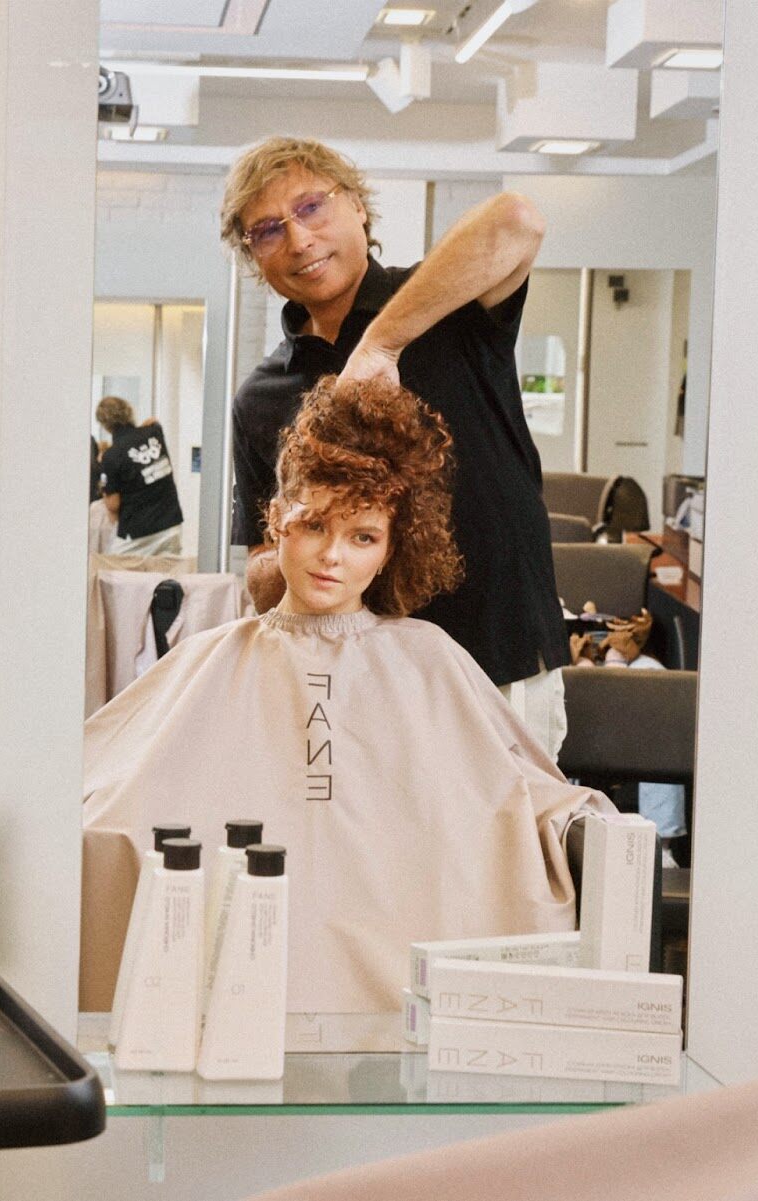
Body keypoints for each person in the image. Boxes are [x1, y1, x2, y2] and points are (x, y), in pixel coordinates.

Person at [80, 378, 612, 1015]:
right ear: (278, 520)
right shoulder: (210, 656)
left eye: (363, 537)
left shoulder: (430, 657)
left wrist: (590, 826)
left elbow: (523, 792)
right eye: (314, 525)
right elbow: (102, 799)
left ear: (391, 549)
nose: (333, 556)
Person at [220, 137, 570, 759]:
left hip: (496, 662)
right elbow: (261, 569)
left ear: (357, 206)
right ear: (254, 257)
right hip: (352, 686)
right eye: (267, 230)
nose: (298, 240)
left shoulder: (449, 305)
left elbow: (518, 220)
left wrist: (380, 346)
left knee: (507, 826)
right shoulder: (259, 398)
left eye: (311, 207)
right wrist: (303, 540)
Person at [95, 395, 184, 555]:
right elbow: (150, 422)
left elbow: (113, 505)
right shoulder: (155, 432)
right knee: (168, 570)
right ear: (129, 412)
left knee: (113, 567)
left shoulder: (111, 456)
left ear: (105, 425)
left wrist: (104, 488)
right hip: (171, 523)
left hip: (138, 532)